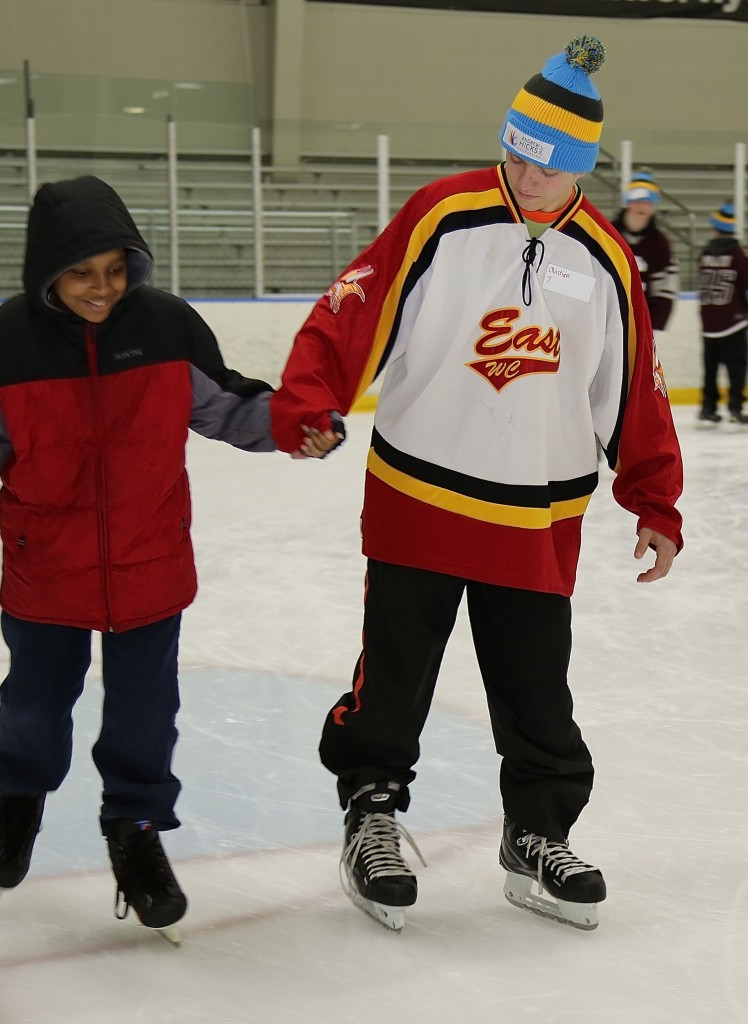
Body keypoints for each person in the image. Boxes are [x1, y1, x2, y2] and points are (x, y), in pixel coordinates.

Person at [270, 36, 683, 933]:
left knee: (537, 688)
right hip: (419, 495)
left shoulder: (606, 262)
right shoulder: (442, 215)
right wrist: (311, 398)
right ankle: (372, 810)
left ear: (580, 168)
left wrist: (654, 498)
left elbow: (635, 386)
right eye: (516, 153)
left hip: (538, 512)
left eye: (548, 165)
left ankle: (536, 832)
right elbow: (355, 305)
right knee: (395, 675)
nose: (526, 176)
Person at [0, 175, 287, 942]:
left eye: (117, 270)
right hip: (45, 572)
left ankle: (137, 830)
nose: (103, 288)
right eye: (83, 272)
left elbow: (227, 403)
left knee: (147, 719)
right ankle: (18, 793)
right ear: (48, 270)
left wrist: (298, 422)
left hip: (150, 567)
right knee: (33, 705)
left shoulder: (167, 326)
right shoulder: (6, 346)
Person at [697, 201, 748, 426]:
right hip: (734, 322)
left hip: (709, 322)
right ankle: (736, 407)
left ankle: (708, 407)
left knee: (710, 368)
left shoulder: (706, 253)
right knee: (736, 368)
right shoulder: (738, 254)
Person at [612, 170, 678, 332]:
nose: (642, 207)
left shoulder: (660, 243)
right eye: (637, 201)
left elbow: (666, 290)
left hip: (641, 327)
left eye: (648, 202)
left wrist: (652, 330)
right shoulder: (607, 233)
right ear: (627, 202)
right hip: (606, 322)